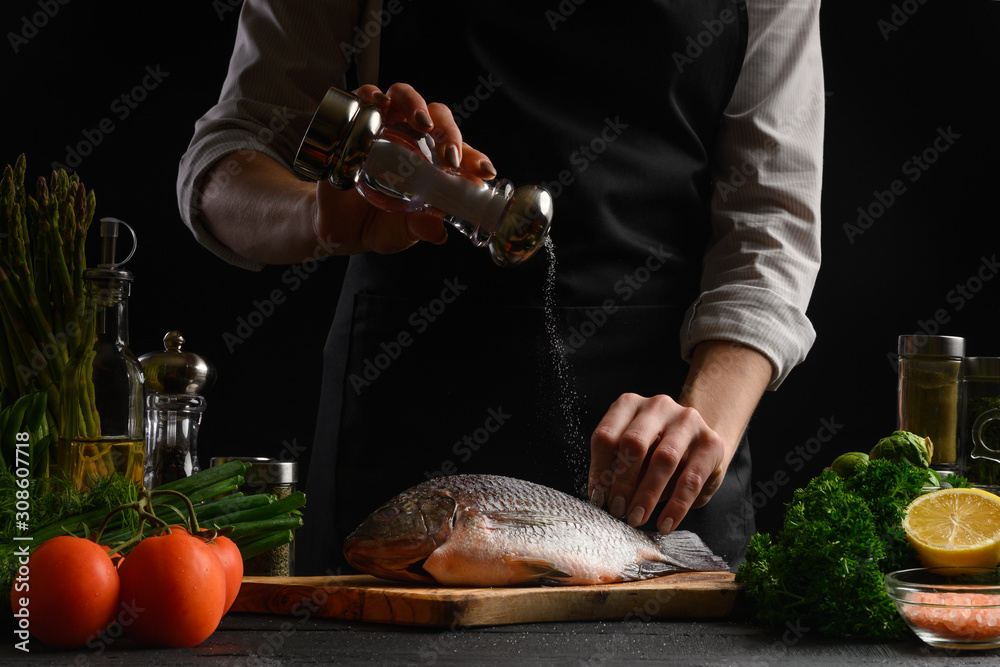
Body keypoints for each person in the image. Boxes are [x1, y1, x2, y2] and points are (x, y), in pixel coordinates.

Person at [177, 0, 823, 574]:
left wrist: (700, 422)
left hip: (662, 447)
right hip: (408, 429)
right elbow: (226, 159)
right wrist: (317, 217)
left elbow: (772, 220)